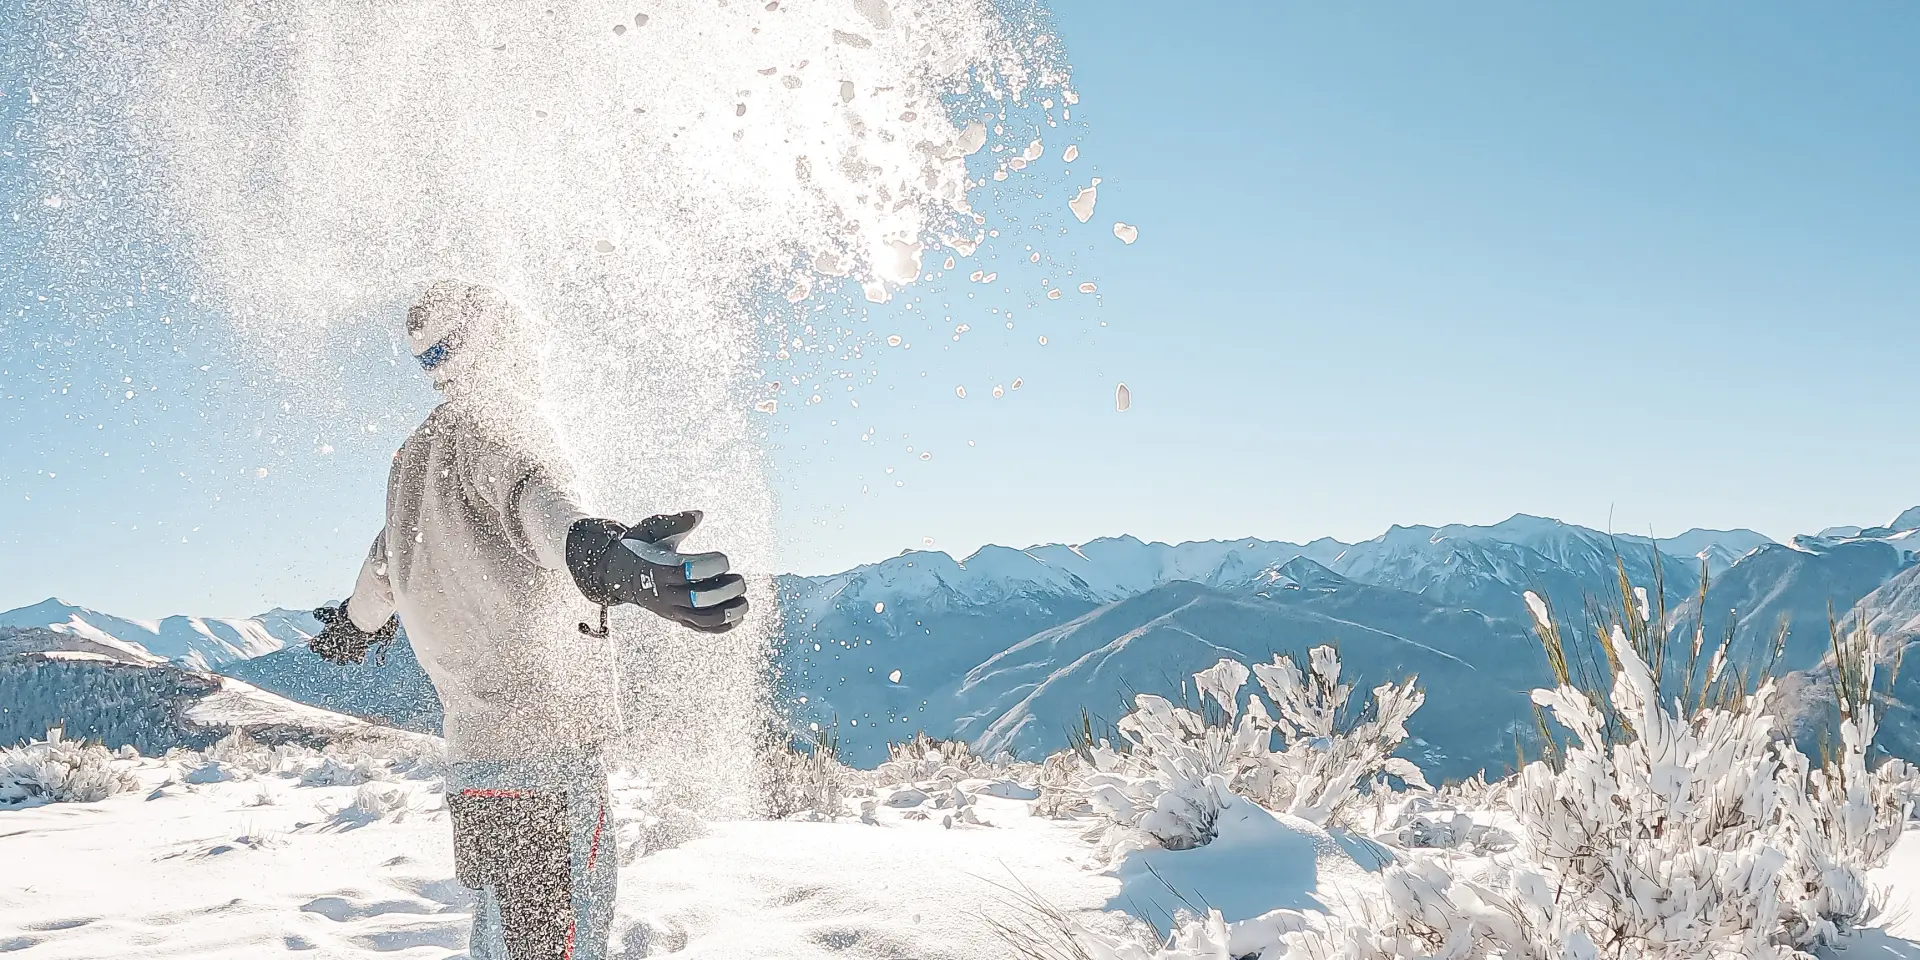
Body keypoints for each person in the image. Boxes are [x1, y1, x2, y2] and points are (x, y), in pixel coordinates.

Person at [307, 280, 748, 960]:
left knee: (502, 946)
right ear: (495, 339)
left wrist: (354, 625)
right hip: (546, 768)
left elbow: (383, 568)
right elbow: (536, 500)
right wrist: (605, 558)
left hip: (475, 770)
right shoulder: (501, 416)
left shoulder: (414, 460)